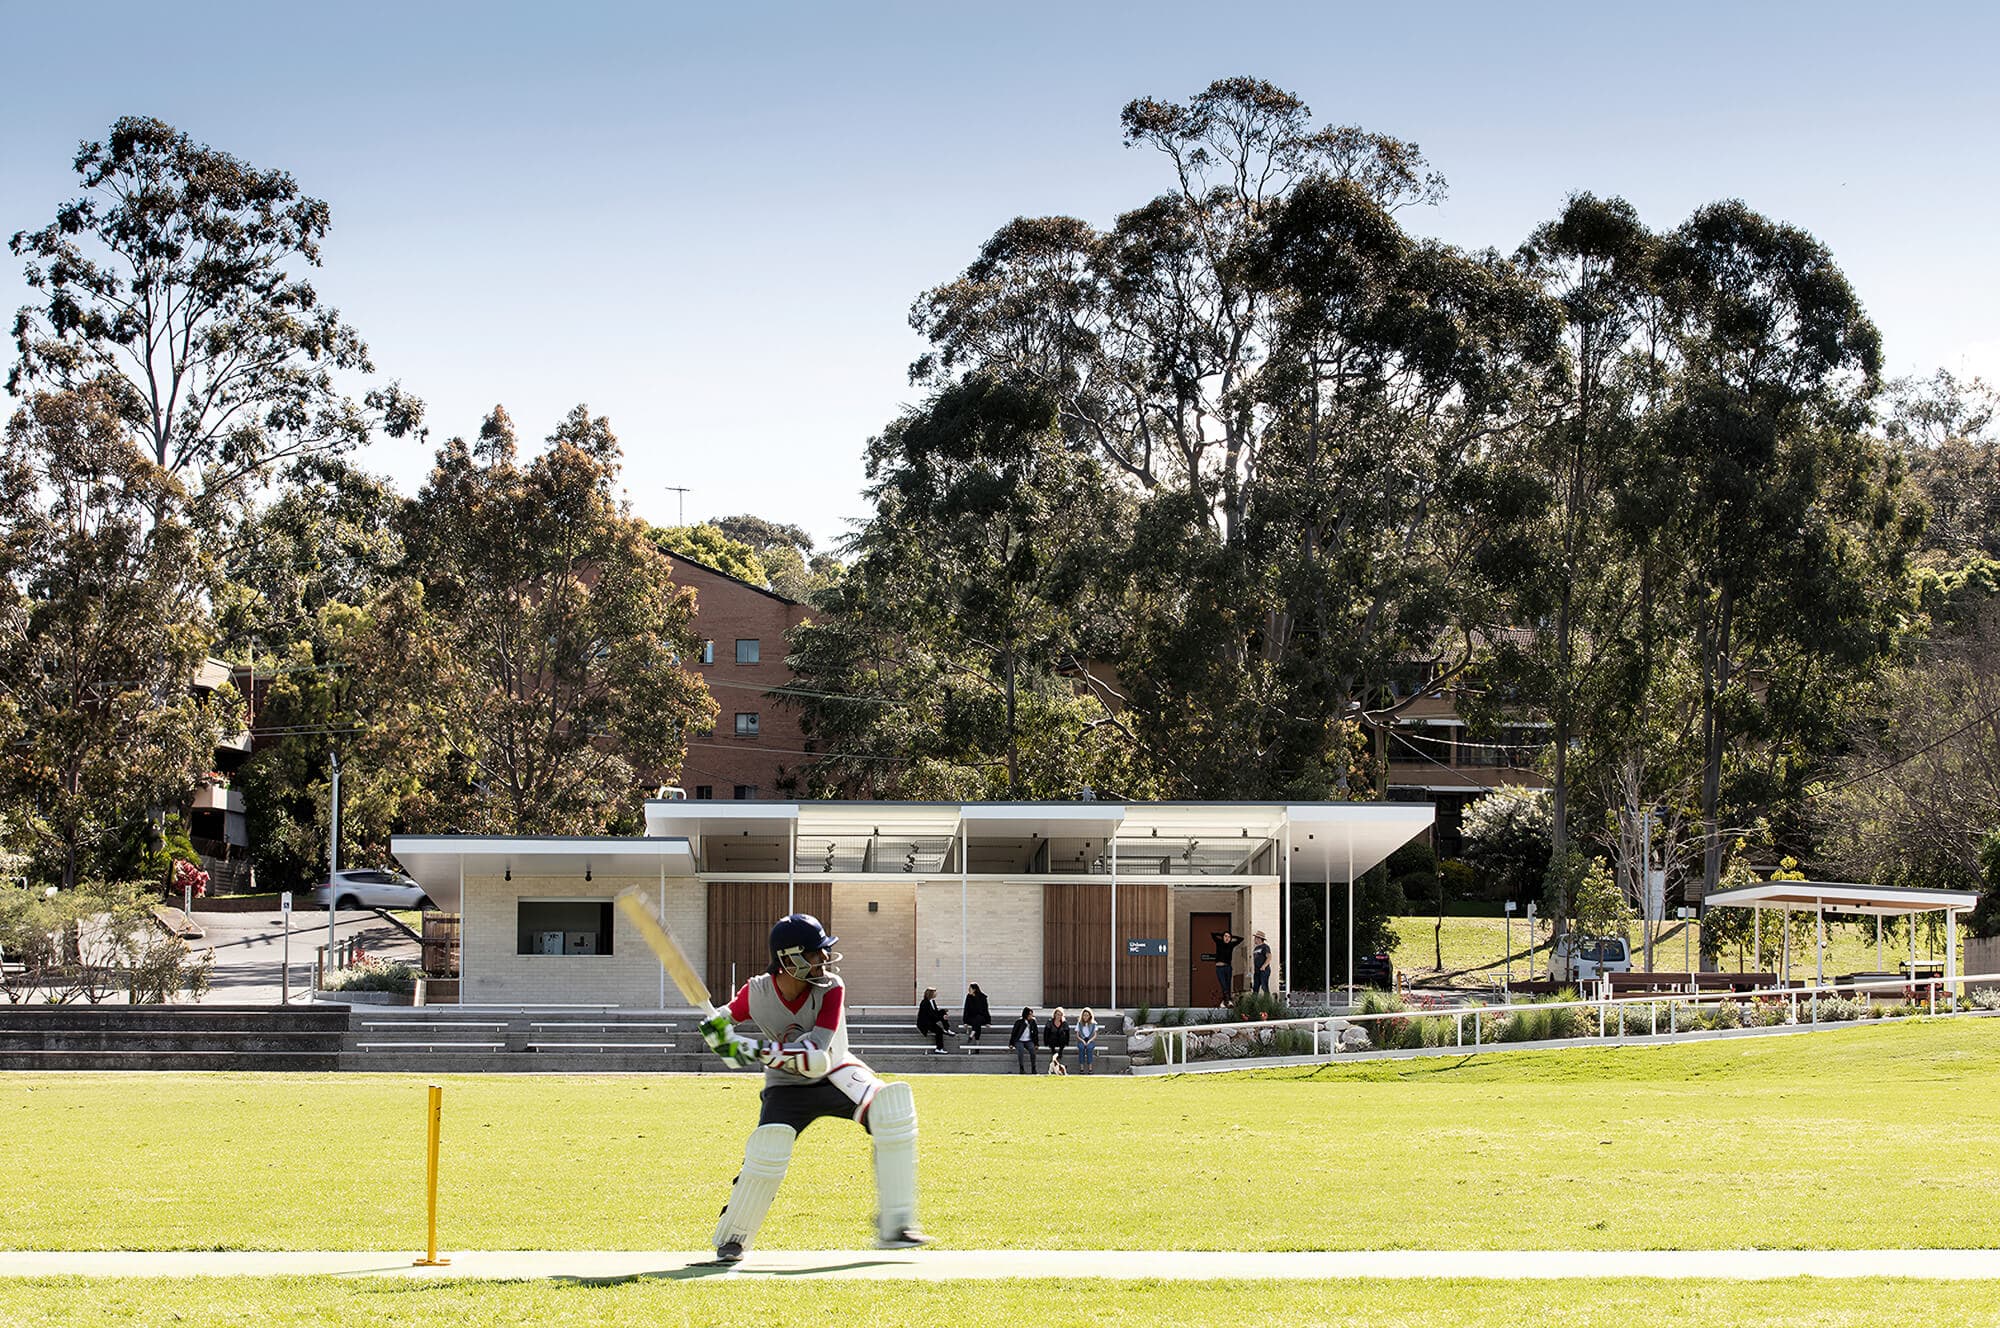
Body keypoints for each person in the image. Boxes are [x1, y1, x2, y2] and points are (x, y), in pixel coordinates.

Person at [698, 912, 928, 1263]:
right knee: (767, 1148)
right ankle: (734, 1235)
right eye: (815, 953)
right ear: (789, 959)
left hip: (837, 1072)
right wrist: (716, 1031)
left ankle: (896, 1226)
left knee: (891, 1107)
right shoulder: (757, 992)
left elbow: (816, 1054)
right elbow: (725, 1022)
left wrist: (751, 1050)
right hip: (785, 1087)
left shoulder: (832, 987)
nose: (824, 959)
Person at [916, 986, 953, 1054]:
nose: (936, 994)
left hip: (930, 1020)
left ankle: (947, 1029)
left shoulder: (932, 1001)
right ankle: (939, 1048)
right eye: (935, 992)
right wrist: (941, 1017)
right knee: (939, 1031)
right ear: (931, 993)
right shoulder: (925, 1002)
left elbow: (935, 1012)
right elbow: (931, 1015)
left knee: (943, 1012)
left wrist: (942, 1013)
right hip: (925, 1023)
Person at [1212, 928, 1243, 1006]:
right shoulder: (1219, 942)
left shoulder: (1231, 945)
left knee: (1227, 985)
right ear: (1223, 937)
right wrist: (1222, 934)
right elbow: (1213, 934)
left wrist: (1232, 937)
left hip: (1228, 967)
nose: (1227, 938)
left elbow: (1240, 939)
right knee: (1223, 984)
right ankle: (1227, 1000)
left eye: (1229, 937)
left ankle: (1225, 1001)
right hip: (1219, 968)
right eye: (1225, 936)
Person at [1009, 1005, 1039, 1074]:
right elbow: (1014, 1032)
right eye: (1030, 1014)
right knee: (1021, 1051)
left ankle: (1033, 1068)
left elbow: (1035, 1033)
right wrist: (1011, 1043)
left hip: (1029, 1040)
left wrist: (1036, 1044)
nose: (1031, 1016)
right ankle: (1021, 1068)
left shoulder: (1033, 1022)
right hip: (1019, 1040)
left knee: (1032, 1051)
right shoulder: (1019, 1022)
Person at [962, 982, 991, 1048]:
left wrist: (988, 1022)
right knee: (977, 1022)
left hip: (981, 1018)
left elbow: (985, 1010)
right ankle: (976, 1043)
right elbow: (966, 1009)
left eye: (970, 989)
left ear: (974, 990)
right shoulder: (968, 997)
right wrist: (965, 1022)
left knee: (978, 1018)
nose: (968, 990)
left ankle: (972, 1035)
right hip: (971, 1018)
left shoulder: (982, 997)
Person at [1044, 1006, 1071, 1075]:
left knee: (1063, 1035)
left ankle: (1060, 1051)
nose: (1058, 1016)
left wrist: (1067, 1042)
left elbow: (1067, 1033)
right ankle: (1053, 1051)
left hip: (1061, 1041)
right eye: (1057, 1014)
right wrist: (1046, 1042)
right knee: (1052, 1036)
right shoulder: (1050, 1022)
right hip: (1052, 1040)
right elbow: (1046, 1032)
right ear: (1055, 1014)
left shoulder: (1064, 1023)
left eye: (1060, 1014)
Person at [1075, 1008, 1099, 1074]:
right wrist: (1082, 1041)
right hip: (1081, 1039)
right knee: (1081, 1048)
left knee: (1089, 1048)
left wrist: (1089, 1041)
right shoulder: (1079, 1023)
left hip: (1090, 1040)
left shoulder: (1093, 1024)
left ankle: (1090, 1068)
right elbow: (1077, 1035)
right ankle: (1081, 1068)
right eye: (1084, 1015)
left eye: (1087, 1015)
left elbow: (1095, 1035)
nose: (1085, 1017)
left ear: (1090, 1016)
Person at [1252, 929, 1272, 995]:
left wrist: (1264, 966)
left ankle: (1267, 1002)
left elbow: (1269, 957)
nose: (1254, 939)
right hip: (1257, 971)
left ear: (1259, 939)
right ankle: (1253, 1003)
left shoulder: (1265, 947)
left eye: (1255, 938)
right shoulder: (1256, 948)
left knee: (1264, 986)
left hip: (1264, 970)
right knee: (1255, 988)